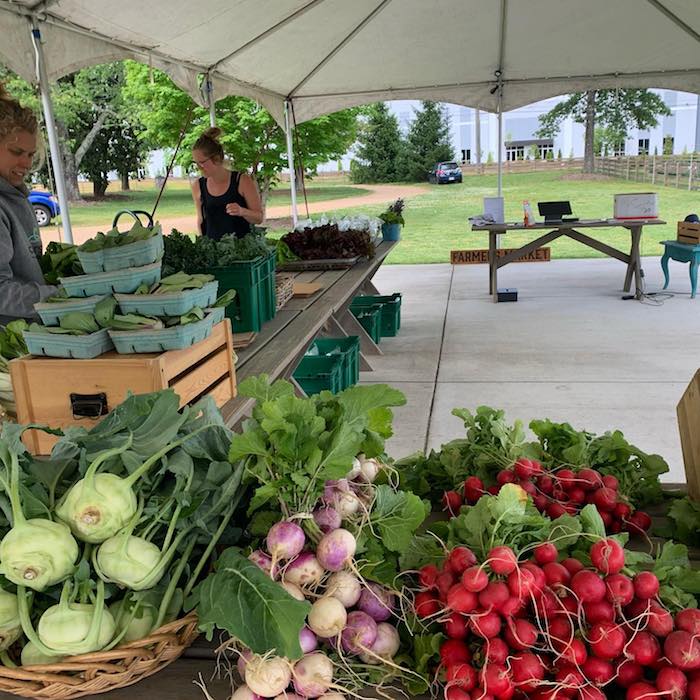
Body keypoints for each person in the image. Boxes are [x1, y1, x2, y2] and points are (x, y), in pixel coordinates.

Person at [0, 83, 57, 325]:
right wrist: (59, 297)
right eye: (16, 152)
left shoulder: (17, 196)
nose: (25, 163)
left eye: (31, 155)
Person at [190, 127, 264, 241]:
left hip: (242, 251)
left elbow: (259, 218)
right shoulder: (198, 186)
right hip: (214, 252)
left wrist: (242, 211)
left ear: (216, 158)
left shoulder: (242, 180)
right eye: (196, 163)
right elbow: (201, 220)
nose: (199, 168)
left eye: (202, 163)